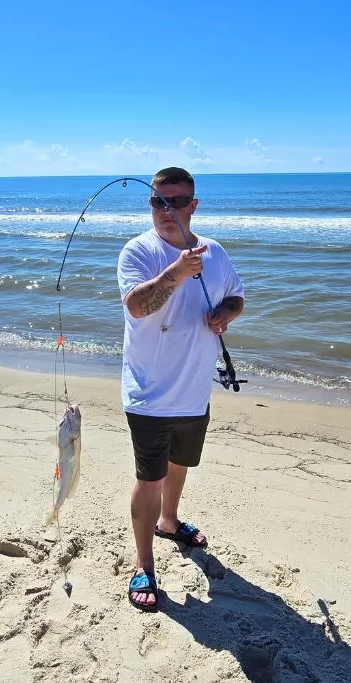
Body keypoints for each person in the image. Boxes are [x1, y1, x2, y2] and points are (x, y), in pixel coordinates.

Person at [116, 166, 245, 612]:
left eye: (176, 201)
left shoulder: (216, 253)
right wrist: (175, 273)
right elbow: (136, 305)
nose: (167, 210)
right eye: (158, 201)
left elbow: (237, 296)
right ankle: (143, 563)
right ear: (150, 204)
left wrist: (225, 313)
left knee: (180, 464)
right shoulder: (139, 251)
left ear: (193, 204)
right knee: (148, 479)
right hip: (149, 393)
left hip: (194, 391)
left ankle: (169, 523)